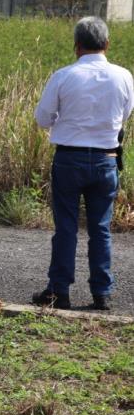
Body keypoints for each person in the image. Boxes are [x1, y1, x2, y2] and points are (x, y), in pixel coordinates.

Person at [33, 16, 134, 311]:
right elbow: (125, 115)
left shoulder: (63, 76)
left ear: (76, 46)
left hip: (69, 158)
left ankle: (59, 291)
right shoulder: (124, 76)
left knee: (65, 228)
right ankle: (101, 293)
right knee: (100, 229)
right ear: (107, 44)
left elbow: (42, 119)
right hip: (106, 159)